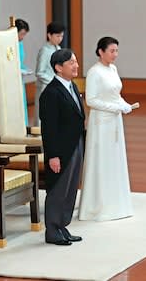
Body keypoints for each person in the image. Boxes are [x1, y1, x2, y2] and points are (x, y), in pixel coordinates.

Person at [78, 36, 134, 221]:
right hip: (101, 121)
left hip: (114, 120)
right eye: (111, 51)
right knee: (102, 159)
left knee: (114, 158)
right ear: (101, 51)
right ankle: (99, 206)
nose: (115, 54)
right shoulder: (94, 72)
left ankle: (117, 203)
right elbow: (91, 100)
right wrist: (116, 108)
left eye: (116, 51)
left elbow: (115, 94)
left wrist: (125, 104)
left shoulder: (113, 68)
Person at [39, 48, 85, 246]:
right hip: (61, 150)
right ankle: (52, 229)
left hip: (76, 144)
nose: (76, 66)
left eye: (75, 61)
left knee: (71, 188)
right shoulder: (51, 93)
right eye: (71, 63)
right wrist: (53, 155)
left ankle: (62, 225)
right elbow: (49, 129)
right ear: (58, 68)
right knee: (58, 189)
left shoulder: (72, 87)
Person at [34, 21, 65, 126]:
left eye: (61, 36)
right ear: (49, 35)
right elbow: (39, 72)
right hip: (45, 87)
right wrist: (52, 81)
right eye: (57, 36)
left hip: (56, 86)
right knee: (43, 114)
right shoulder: (44, 51)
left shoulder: (59, 49)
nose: (60, 39)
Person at [15, 18, 31, 126]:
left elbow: (20, 61)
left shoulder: (20, 43)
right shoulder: (8, 44)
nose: (22, 37)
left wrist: (25, 69)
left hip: (20, 78)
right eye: (22, 34)